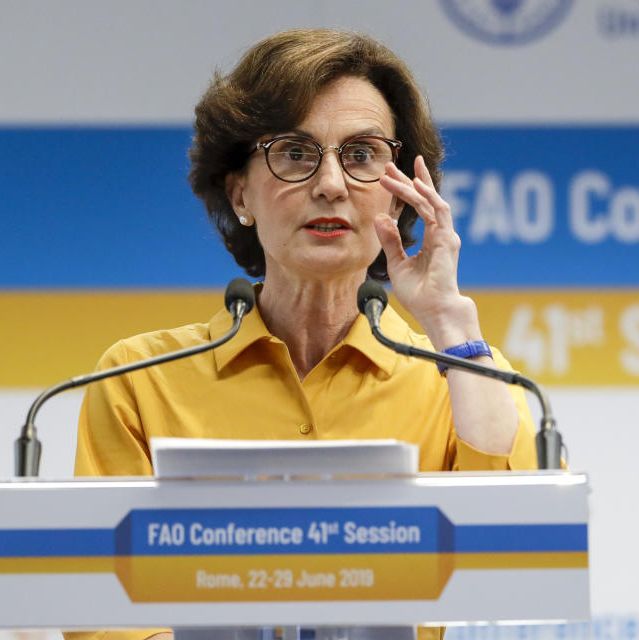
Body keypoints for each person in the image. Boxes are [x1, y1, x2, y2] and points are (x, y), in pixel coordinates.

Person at [70, 28, 537, 640]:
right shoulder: (139, 381)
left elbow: (511, 566)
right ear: (240, 192)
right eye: (294, 152)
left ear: (398, 198)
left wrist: (449, 320)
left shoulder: (463, 378)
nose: (331, 184)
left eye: (363, 154)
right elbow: (105, 620)